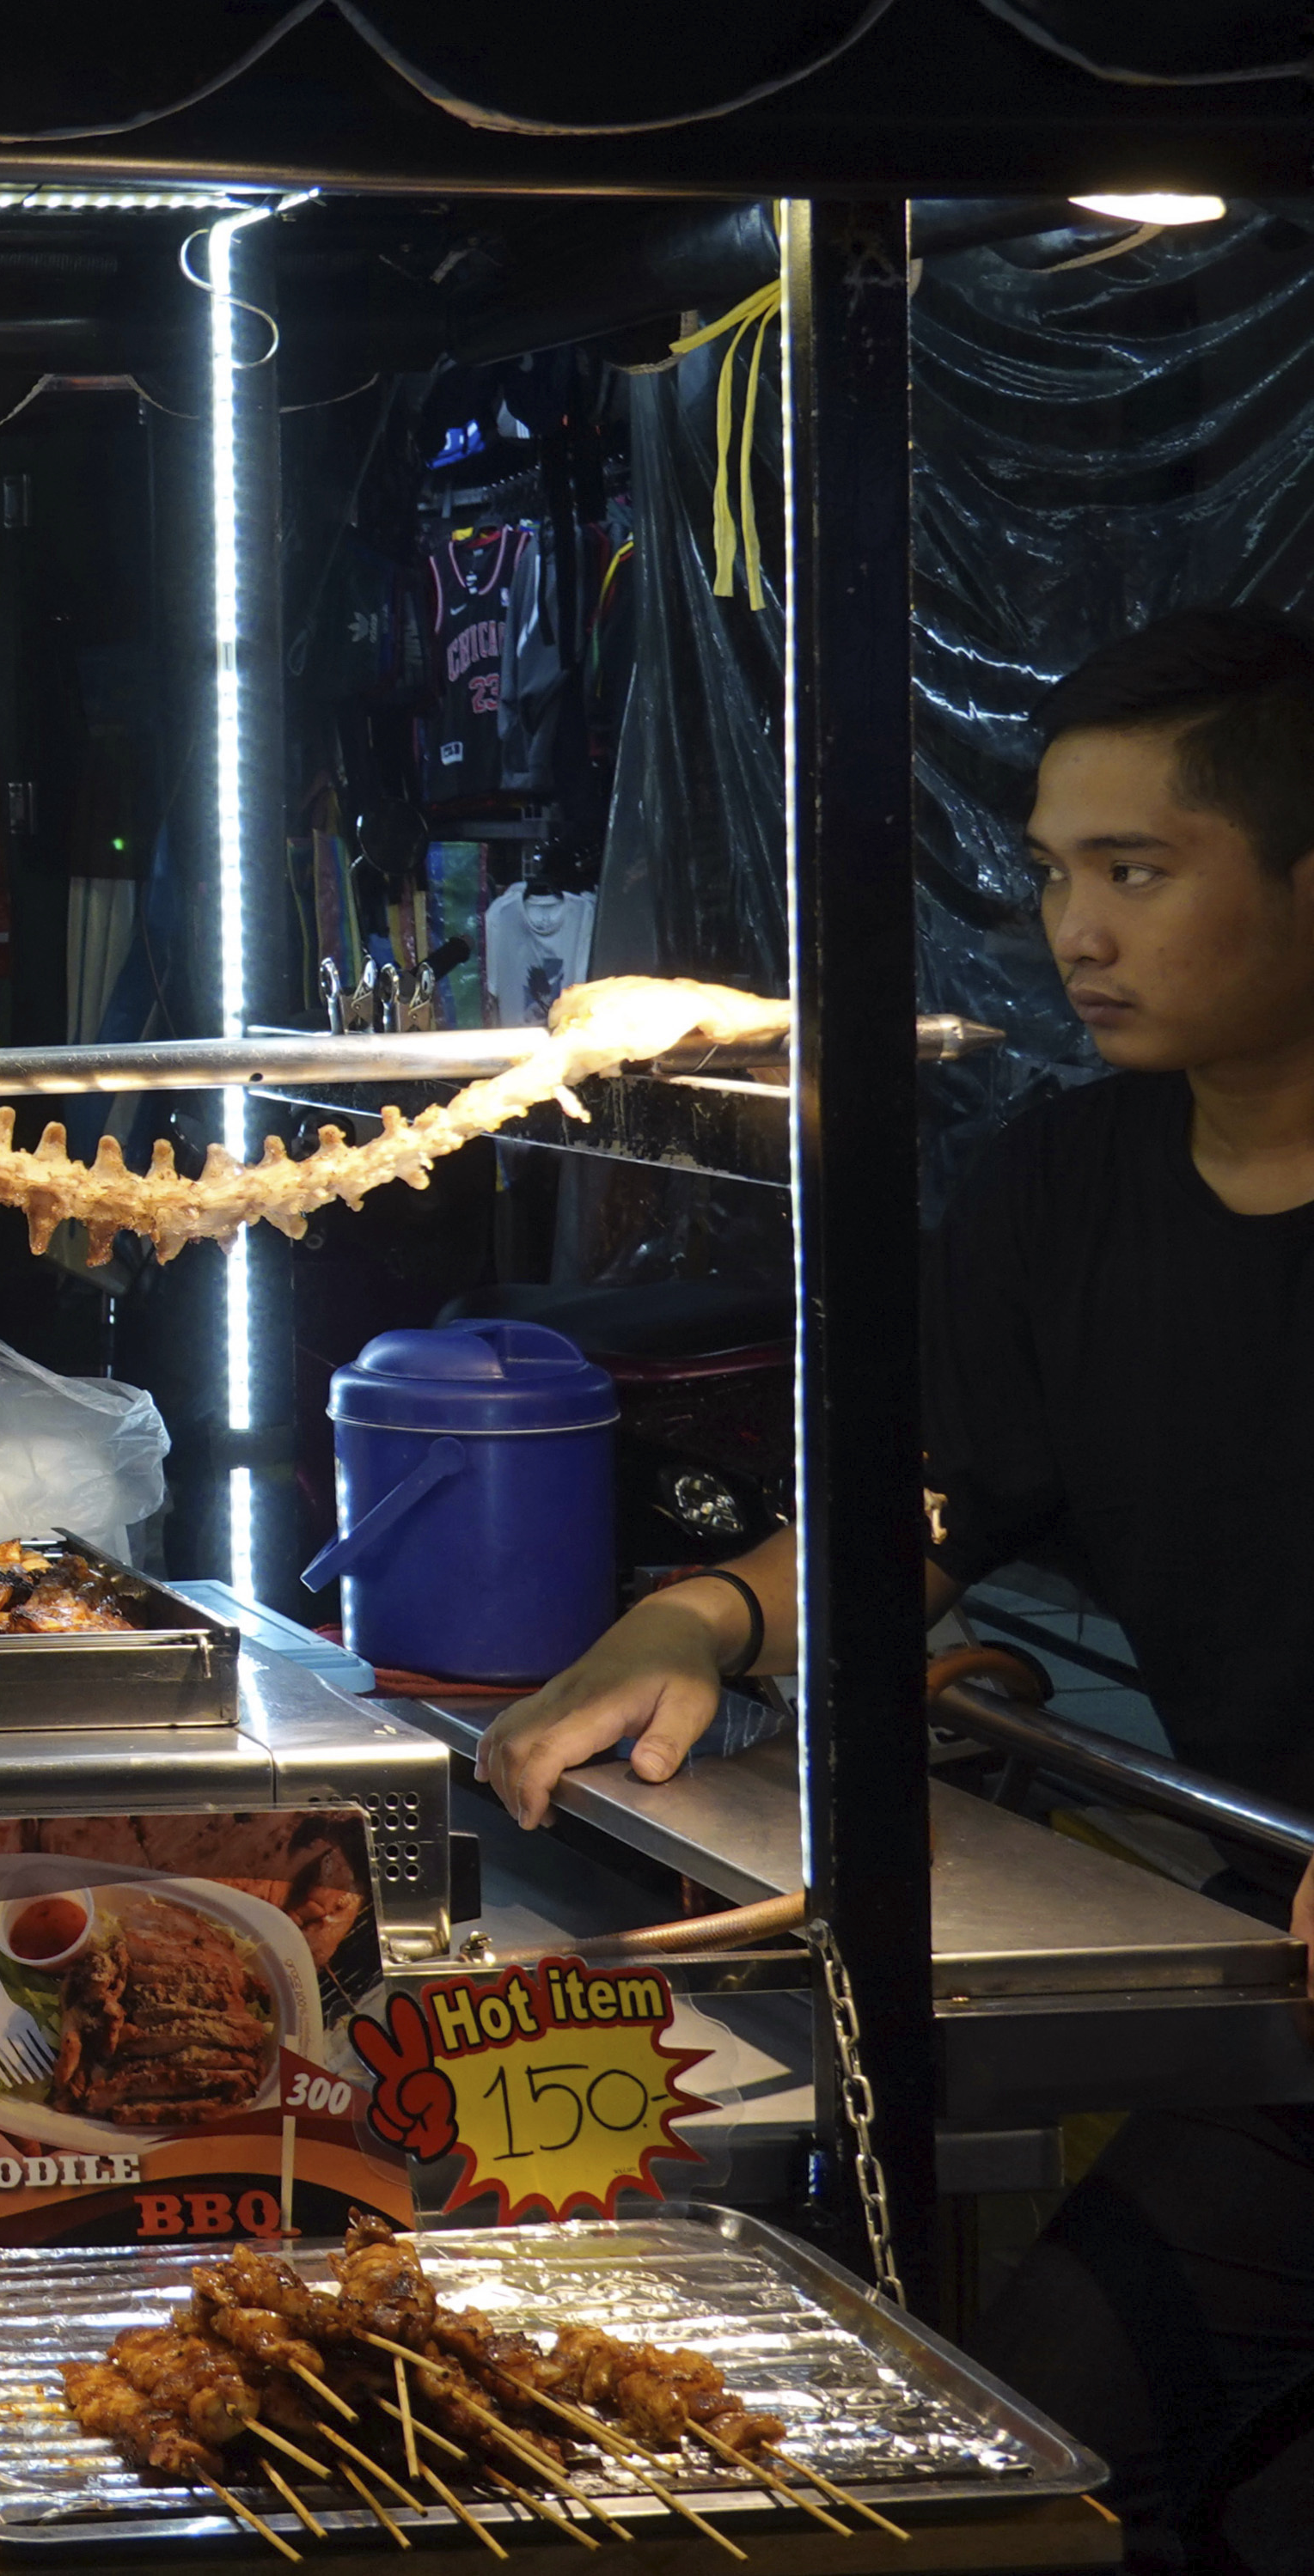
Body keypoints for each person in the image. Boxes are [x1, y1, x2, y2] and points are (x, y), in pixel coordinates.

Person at [477, 606, 1314, 2566]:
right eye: (1046, 875)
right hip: (1275, 2012)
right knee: (1031, 2458)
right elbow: (919, 1514)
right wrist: (694, 1624)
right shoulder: (1062, 1188)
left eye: (1133, 870)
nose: (1071, 933)